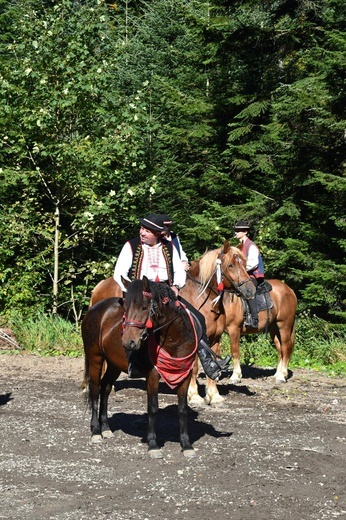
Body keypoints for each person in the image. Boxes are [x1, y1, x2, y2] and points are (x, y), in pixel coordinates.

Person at [113, 213, 229, 379]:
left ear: (157, 233)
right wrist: (133, 289)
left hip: (164, 292)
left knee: (196, 318)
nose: (142, 232)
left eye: (147, 230)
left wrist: (176, 286)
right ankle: (134, 363)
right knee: (136, 322)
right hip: (142, 292)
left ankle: (208, 362)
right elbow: (119, 273)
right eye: (142, 228)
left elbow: (179, 271)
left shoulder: (169, 247)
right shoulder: (131, 246)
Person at [234, 220, 265, 328]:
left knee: (248, 291)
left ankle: (254, 319)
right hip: (243, 276)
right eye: (236, 230)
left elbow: (253, 264)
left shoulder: (251, 246)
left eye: (238, 231)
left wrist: (240, 270)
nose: (236, 233)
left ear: (245, 232)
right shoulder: (239, 246)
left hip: (253, 276)